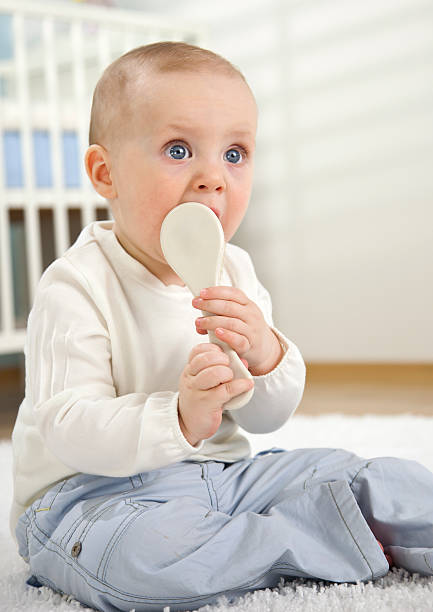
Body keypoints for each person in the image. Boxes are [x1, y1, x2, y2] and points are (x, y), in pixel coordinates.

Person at [10, 42, 433, 612]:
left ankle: (329, 527)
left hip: (225, 478)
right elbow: (67, 426)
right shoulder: (77, 284)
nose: (214, 178)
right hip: (90, 498)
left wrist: (265, 354)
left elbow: (266, 415)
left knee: (382, 478)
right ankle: (322, 536)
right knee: (146, 559)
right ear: (105, 172)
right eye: (178, 149)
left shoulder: (233, 269)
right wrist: (178, 418)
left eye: (235, 154)